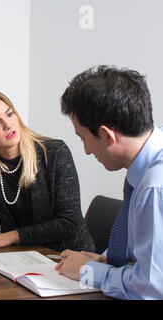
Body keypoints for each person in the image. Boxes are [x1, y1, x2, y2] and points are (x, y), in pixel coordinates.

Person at [56, 65, 163, 299]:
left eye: (83, 138)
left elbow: (152, 288)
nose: (85, 150)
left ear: (106, 135)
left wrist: (89, 272)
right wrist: (105, 260)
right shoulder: (147, 163)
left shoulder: (155, 186)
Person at [0, 90, 94, 252]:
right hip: (20, 259)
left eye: (10, 114)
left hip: (68, 257)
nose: (8, 125)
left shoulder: (55, 152)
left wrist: (11, 236)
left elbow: (69, 223)